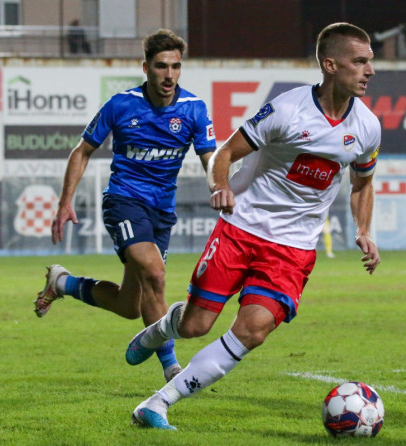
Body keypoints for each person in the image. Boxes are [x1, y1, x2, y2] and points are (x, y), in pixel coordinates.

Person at [125, 22, 381, 430]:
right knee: (195, 325)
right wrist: (220, 186)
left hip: (294, 248)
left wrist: (364, 231)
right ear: (330, 65)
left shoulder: (367, 127)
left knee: (253, 331)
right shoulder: (287, 110)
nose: (370, 70)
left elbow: (362, 184)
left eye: (370, 61)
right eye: (360, 61)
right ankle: (161, 330)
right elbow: (225, 153)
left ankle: (157, 404)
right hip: (241, 229)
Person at [34, 29, 216, 383]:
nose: (169, 75)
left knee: (129, 305)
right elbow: (82, 151)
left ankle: (63, 282)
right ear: (146, 68)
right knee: (156, 275)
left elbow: (210, 157)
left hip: (161, 211)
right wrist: (64, 201)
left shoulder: (193, 108)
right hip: (124, 201)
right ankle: (172, 369)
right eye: (161, 66)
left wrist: (219, 186)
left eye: (176, 66)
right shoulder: (121, 104)